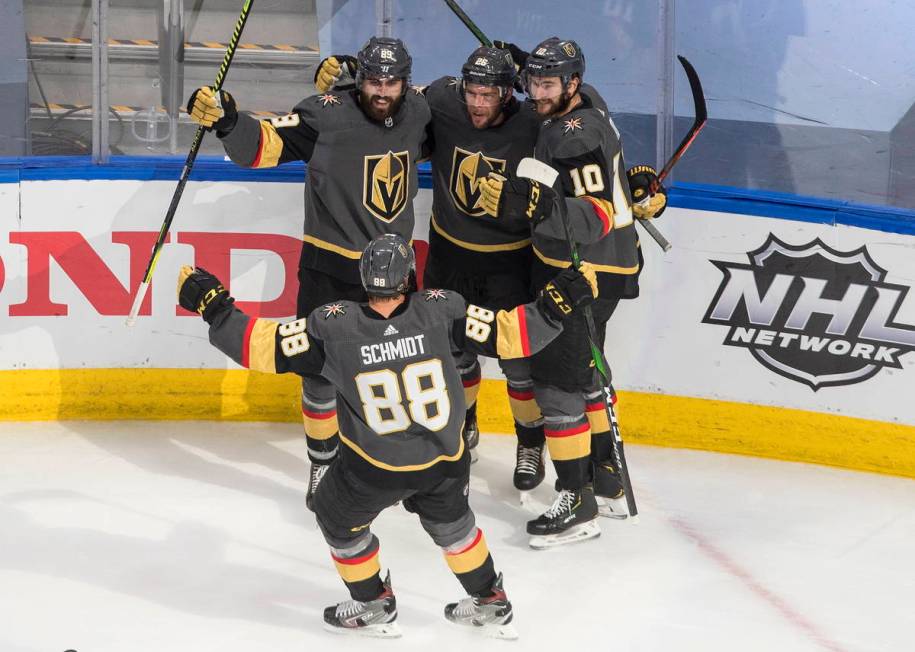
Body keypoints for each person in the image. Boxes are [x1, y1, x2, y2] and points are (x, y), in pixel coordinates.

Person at [175, 233, 598, 636]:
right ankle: (490, 599)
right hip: (445, 461)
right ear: (410, 276)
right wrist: (556, 303)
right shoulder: (443, 309)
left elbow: (259, 345)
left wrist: (214, 304)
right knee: (455, 529)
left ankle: (373, 601)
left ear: (364, 278)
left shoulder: (332, 327)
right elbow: (513, 335)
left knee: (336, 521)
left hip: (375, 469)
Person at [185, 37, 431, 511]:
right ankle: (323, 460)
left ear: (405, 80)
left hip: (396, 269)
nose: (382, 90)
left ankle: (399, 461)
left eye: (391, 81)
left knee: (399, 367)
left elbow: (472, 112)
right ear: (360, 81)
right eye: (373, 81)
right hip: (331, 267)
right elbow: (262, 148)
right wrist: (228, 120)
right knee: (318, 373)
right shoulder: (327, 114)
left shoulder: (420, 109)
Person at [314, 46, 548, 492]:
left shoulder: (533, 122)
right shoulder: (442, 98)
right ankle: (467, 423)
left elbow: (582, 124)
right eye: (472, 93)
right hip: (449, 257)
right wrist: (343, 75)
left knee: (518, 362)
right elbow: (386, 95)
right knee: (455, 356)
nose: (477, 104)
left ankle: (529, 442)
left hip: (510, 262)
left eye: (488, 95)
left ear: (508, 92)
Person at [478, 37, 667, 548]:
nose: (534, 93)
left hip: (584, 272)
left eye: (545, 84)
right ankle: (604, 474)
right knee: (584, 373)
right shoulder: (588, 105)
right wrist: (523, 60)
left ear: (572, 85)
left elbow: (598, 212)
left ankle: (575, 500)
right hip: (595, 266)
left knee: (555, 380)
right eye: (531, 82)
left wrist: (536, 205)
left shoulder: (574, 137)